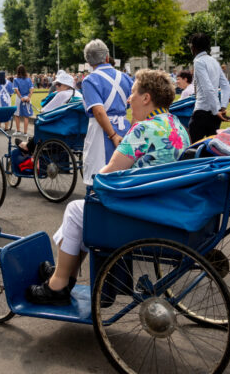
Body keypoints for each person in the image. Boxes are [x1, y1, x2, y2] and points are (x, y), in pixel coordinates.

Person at [26, 69, 190, 305]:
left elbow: (106, 174)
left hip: (142, 214)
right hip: (162, 206)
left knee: (76, 209)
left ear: (146, 98)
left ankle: (59, 284)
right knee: (85, 213)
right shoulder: (177, 126)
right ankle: (64, 272)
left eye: (132, 93)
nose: (128, 99)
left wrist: (96, 181)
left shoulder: (144, 129)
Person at [81, 39, 133, 187]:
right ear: (107, 57)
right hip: (125, 127)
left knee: (98, 176)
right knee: (123, 174)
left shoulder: (90, 80)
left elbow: (98, 111)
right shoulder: (125, 77)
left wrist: (112, 135)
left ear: (89, 62)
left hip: (101, 130)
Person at [187, 33, 230, 143]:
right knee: (212, 150)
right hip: (215, 115)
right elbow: (226, 86)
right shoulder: (214, 61)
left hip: (202, 112)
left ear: (193, 47)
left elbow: (207, 88)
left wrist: (217, 110)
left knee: (192, 147)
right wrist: (222, 107)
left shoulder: (199, 62)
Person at [13, 64, 34, 136]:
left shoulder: (16, 79)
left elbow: (17, 90)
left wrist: (21, 97)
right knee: (26, 116)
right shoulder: (28, 79)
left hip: (19, 98)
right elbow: (32, 89)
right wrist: (29, 97)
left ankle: (18, 131)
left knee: (17, 115)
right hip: (27, 97)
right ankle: (25, 133)